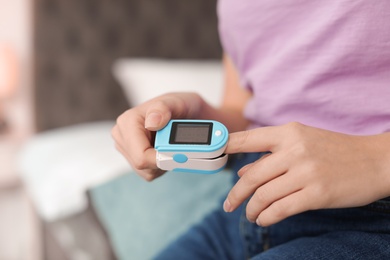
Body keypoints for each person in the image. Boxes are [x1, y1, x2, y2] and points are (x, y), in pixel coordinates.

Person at [112, 1, 390, 259]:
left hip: (375, 219)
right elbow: (246, 109)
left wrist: (378, 160)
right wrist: (200, 113)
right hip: (244, 212)